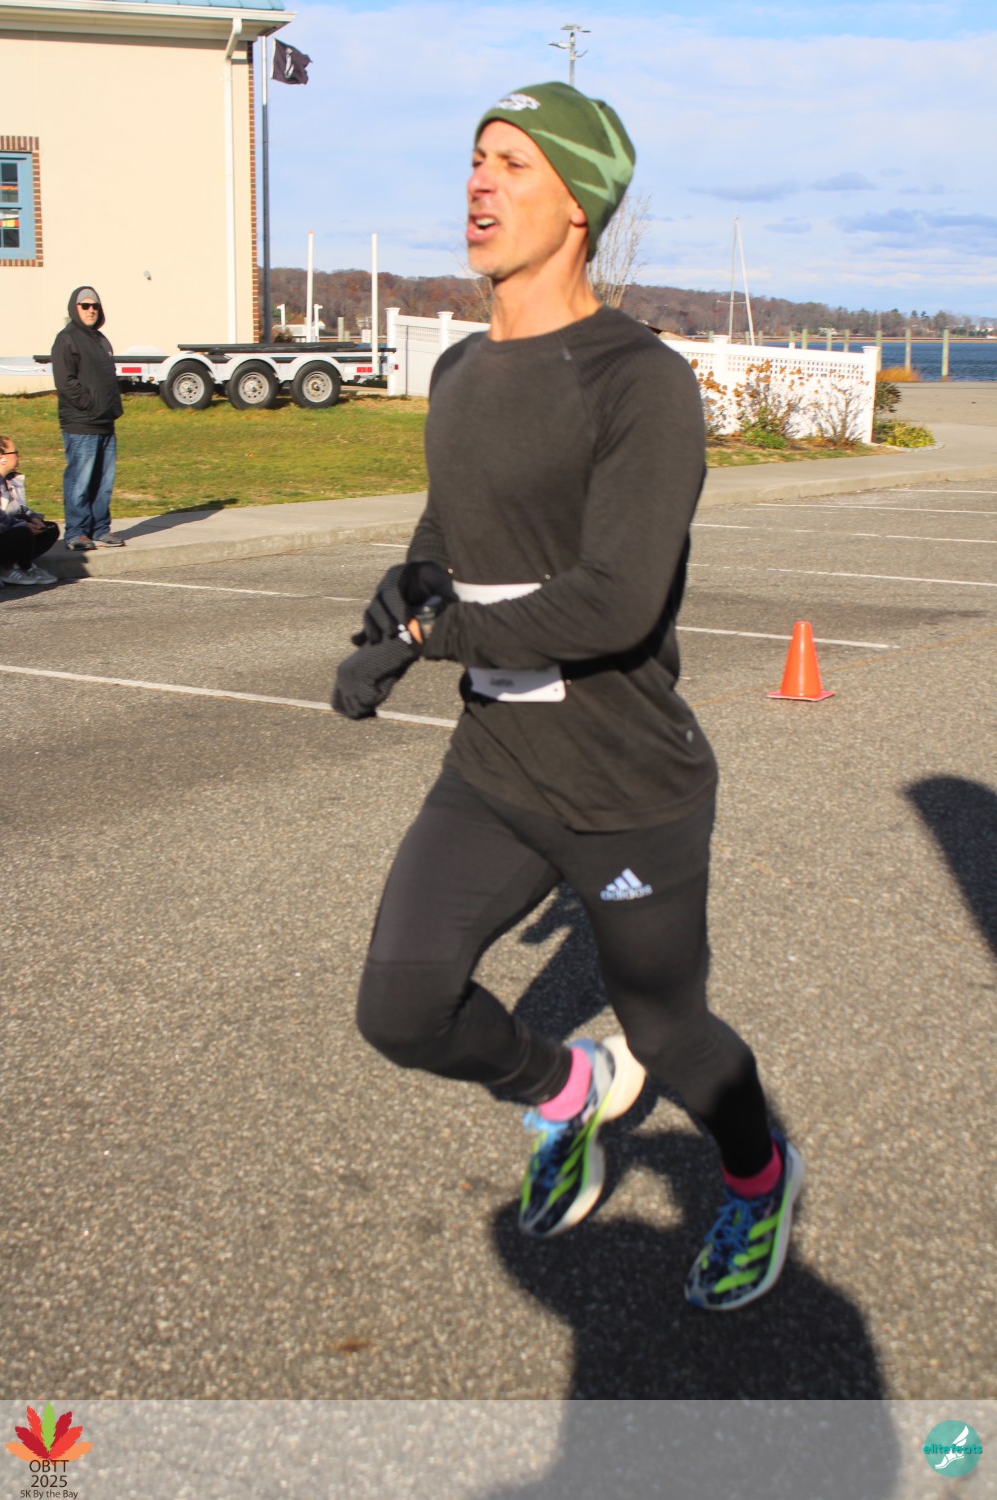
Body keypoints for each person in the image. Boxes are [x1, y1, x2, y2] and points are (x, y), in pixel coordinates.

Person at [333, 82, 804, 1311]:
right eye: (476, 158)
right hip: (495, 768)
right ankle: (563, 1090)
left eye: (514, 164)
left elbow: (614, 604)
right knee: (400, 1008)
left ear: (580, 204)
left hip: (624, 781)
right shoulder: (459, 371)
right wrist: (399, 603)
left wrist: (438, 632)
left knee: (669, 1034)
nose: (478, 182)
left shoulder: (638, 382)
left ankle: (758, 1176)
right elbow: (448, 529)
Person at [50, 285, 125, 551]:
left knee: (103, 484)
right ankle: (76, 533)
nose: (91, 310)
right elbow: (65, 381)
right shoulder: (67, 339)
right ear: (75, 308)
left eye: (95, 306)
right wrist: (90, 405)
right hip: (81, 424)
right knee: (79, 482)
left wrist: (111, 409)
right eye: (85, 305)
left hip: (105, 423)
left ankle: (100, 529)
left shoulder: (101, 340)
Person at [0, 434, 60, 587]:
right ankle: (13, 568)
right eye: (15, 452)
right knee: (23, 531)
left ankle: (17, 565)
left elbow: (19, 508)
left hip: (7, 530)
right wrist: (21, 524)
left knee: (50, 529)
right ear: (0, 457)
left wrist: (33, 518)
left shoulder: (11, 480)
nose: (18, 456)